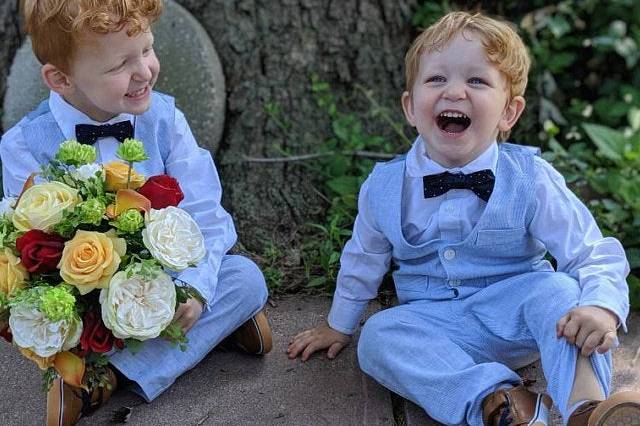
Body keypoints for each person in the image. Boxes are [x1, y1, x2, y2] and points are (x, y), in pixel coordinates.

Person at [288, 11, 640, 426]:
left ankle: (587, 408)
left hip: (517, 317)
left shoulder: (531, 179)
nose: (454, 91)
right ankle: (501, 403)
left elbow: (591, 251)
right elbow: (363, 256)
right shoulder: (384, 186)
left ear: (509, 112)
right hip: (436, 326)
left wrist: (601, 307)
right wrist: (339, 325)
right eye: (437, 79)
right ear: (410, 107)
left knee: (559, 292)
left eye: (476, 81)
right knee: (378, 338)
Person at [1, 1, 272, 424]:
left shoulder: (165, 119)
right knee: (38, 317)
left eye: (147, 49)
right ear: (61, 78)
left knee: (246, 279)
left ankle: (102, 379)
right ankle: (212, 333)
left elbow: (207, 213)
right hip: (86, 297)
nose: (145, 71)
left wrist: (195, 288)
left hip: (168, 283)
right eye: (120, 66)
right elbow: (22, 243)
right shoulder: (23, 145)